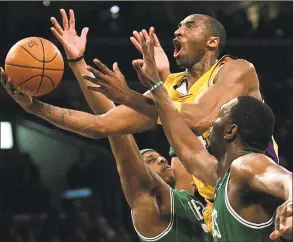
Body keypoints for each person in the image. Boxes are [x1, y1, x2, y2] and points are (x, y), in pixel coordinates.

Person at [48, 9, 278, 233]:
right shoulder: (170, 87)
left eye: (189, 25)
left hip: (258, 191)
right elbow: (100, 125)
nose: (178, 31)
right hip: (216, 201)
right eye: (177, 27)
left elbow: (200, 118)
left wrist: (130, 95)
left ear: (212, 41)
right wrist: (37, 102)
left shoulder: (236, 69)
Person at [0, 70, 212, 242]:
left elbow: (183, 138)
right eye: (150, 160)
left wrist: (172, 80)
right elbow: (114, 128)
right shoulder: (147, 200)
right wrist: (77, 64)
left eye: (158, 157)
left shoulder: (183, 196)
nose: (162, 159)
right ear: (138, 171)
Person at [130, 32, 292, 241]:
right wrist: (154, 87)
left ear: (230, 131)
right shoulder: (219, 177)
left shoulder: (246, 165)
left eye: (218, 117)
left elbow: (287, 179)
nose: (210, 123)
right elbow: (187, 149)